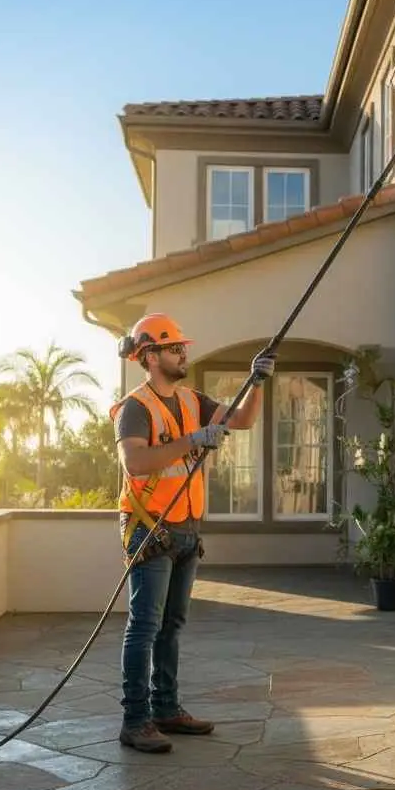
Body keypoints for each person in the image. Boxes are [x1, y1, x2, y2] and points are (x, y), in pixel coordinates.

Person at [109, 312, 274, 753]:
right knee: (144, 627)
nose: (184, 352)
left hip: (185, 529)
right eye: (174, 347)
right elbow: (136, 464)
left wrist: (256, 382)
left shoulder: (190, 399)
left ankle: (166, 708)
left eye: (183, 346)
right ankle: (135, 720)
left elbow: (241, 420)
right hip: (150, 530)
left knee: (172, 626)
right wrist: (196, 439)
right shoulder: (135, 409)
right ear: (150, 355)